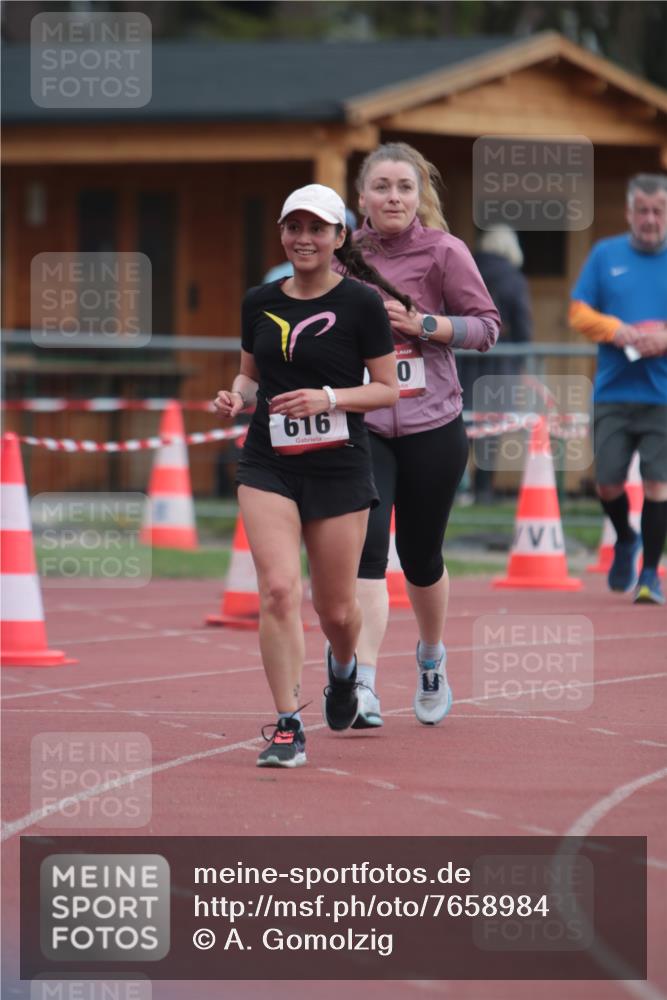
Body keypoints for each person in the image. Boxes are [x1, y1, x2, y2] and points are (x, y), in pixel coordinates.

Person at [214, 183, 408, 768]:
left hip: (340, 465)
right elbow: (250, 376)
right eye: (293, 227)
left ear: (338, 238)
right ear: (282, 233)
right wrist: (235, 397)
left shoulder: (362, 304)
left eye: (316, 229)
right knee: (276, 590)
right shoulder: (258, 300)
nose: (303, 238)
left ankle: (344, 672)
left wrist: (326, 397)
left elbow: (387, 390)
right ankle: (285, 724)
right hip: (267, 462)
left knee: (337, 610)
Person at [335, 142, 500, 731]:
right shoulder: (340, 255)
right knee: (369, 552)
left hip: (433, 423)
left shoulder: (445, 251)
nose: (393, 197)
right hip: (366, 424)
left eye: (404, 187)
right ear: (362, 198)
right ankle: (367, 685)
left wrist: (426, 324)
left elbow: (488, 328)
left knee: (421, 556)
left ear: (419, 194)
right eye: (381, 187)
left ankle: (431, 657)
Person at [569, 173, 667, 605]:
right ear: (629, 213)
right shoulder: (605, 254)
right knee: (607, 483)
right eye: (642, 210)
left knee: (657, 484)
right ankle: (626, 538)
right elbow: (577, 312)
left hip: (662, 395)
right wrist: (618, 331)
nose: (650, 219)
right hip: (613, 389)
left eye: (658, 211)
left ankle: (650, 575)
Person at [469, 226, 533, 502]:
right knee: (491, 426)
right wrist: (521, 359)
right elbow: (522, 323)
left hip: (465, 359)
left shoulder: (468, 269)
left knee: (461, 422)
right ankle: (483, 490)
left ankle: (453, 490)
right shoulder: (513, 277)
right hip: (500, 361)